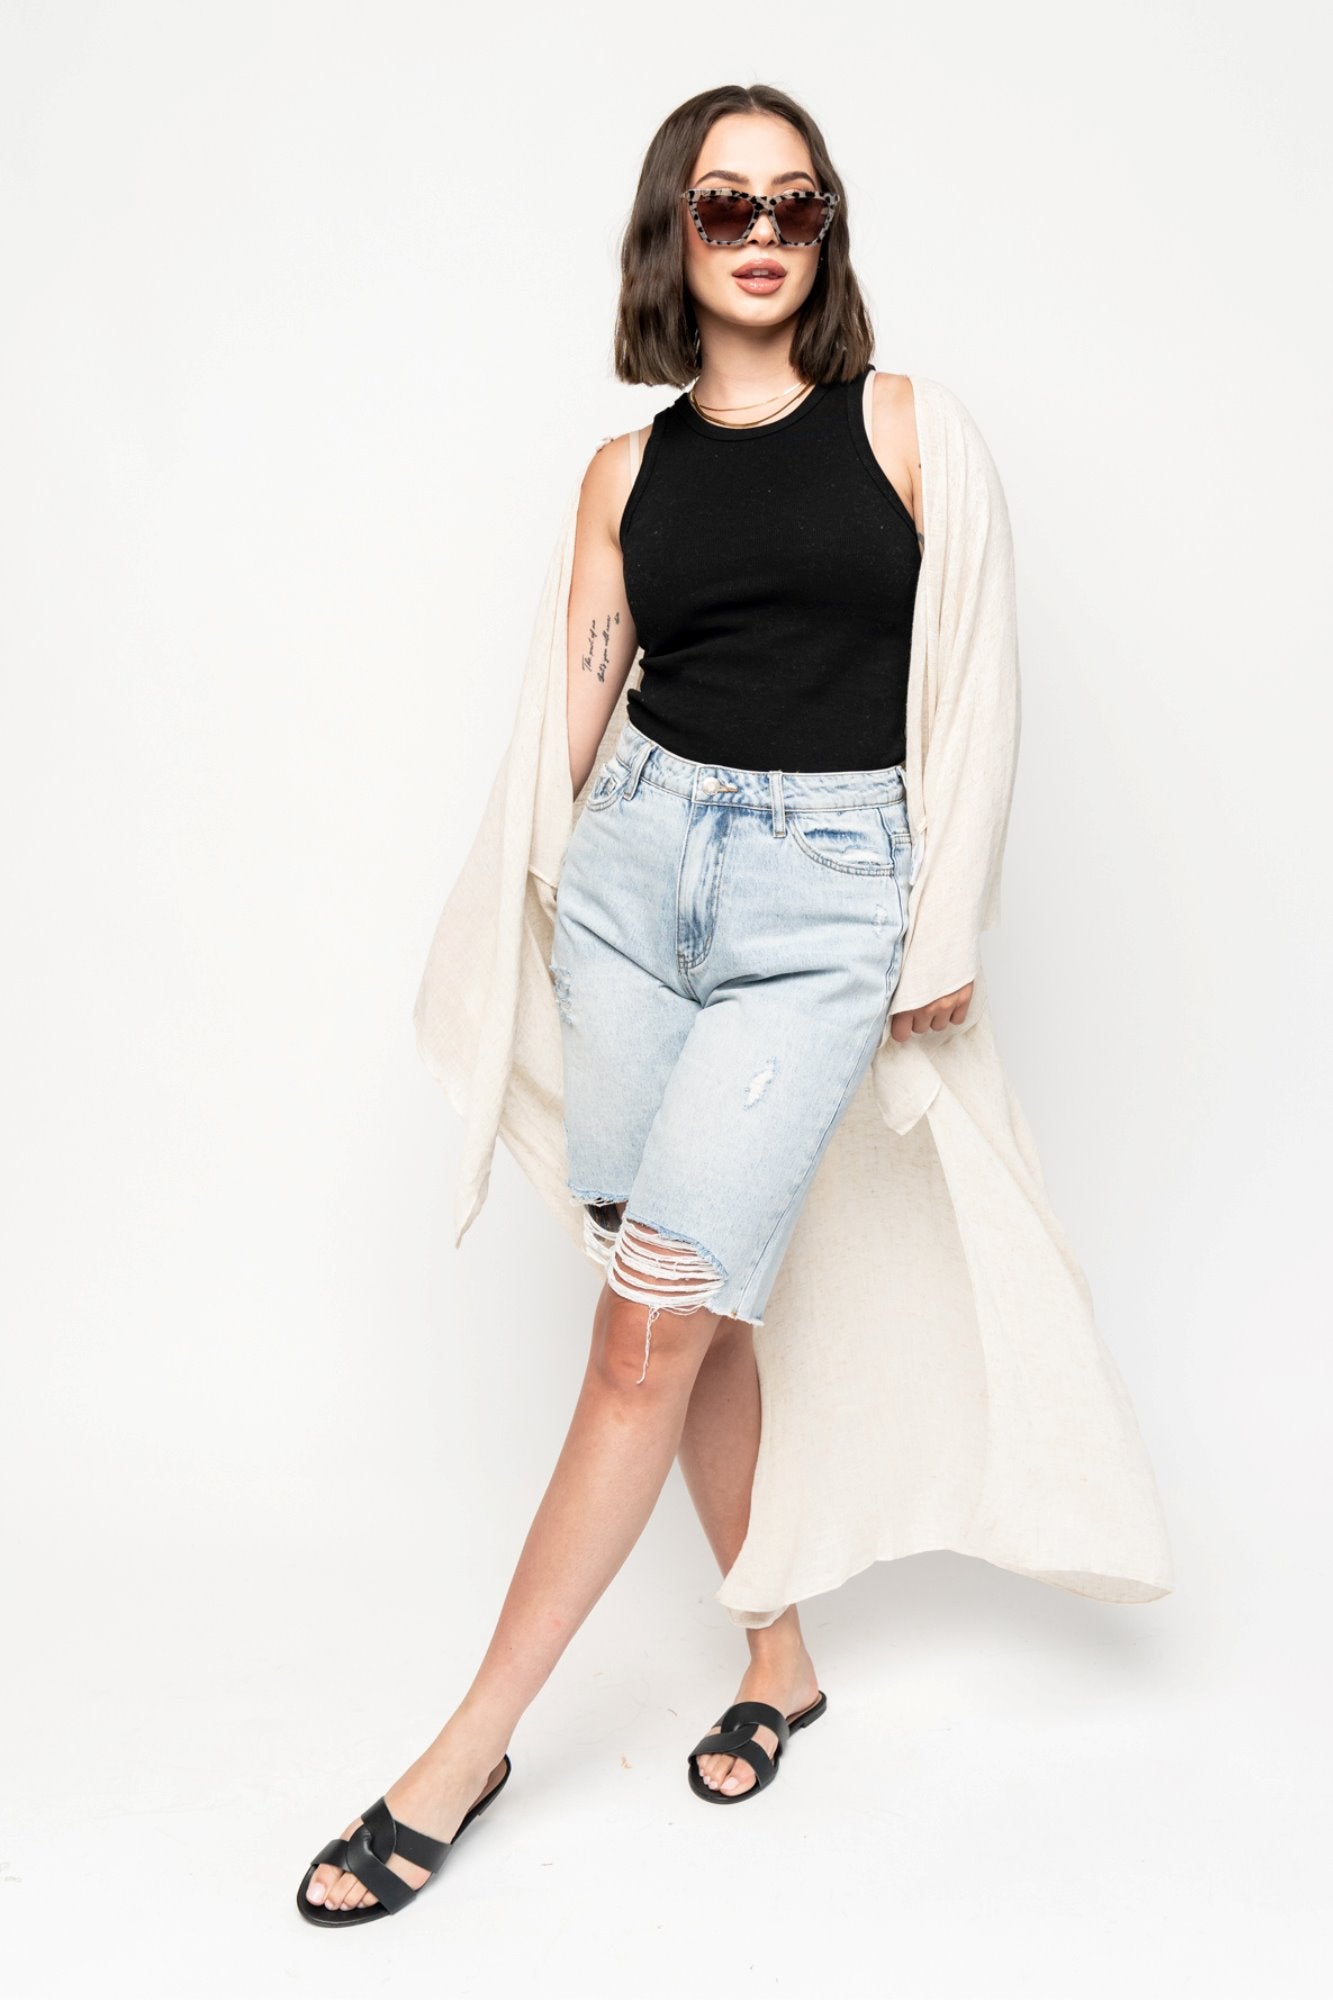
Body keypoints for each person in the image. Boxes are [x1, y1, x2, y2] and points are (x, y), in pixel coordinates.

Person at [297, 81, 1173, 1930]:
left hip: (823, 900)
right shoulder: (623, 476)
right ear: (672, 236)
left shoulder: (911, 428)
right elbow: (572, 715)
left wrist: (939, 922)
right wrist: (517, 928)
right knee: (680, 1317)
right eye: (723, 205)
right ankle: (776, 1657)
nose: (761, 232)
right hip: (631, 893)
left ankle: (463, 1751)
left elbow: (978, 681)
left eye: (793, 203)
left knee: (644, 1328)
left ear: (825, 231)